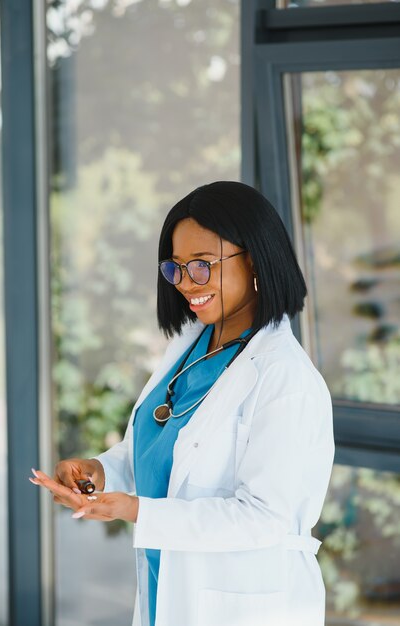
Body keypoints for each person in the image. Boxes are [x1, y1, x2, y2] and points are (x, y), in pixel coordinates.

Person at [30, 181, 335, 626]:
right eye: (176, 269)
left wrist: (135, 510)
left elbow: (265, 517)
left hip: (245, 604)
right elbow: (165, 448)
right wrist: (99, 471)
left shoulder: (285, 377)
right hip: (166, 589)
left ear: (254, 258)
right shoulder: (192, 345)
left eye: (202, 266)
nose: (187, 285)